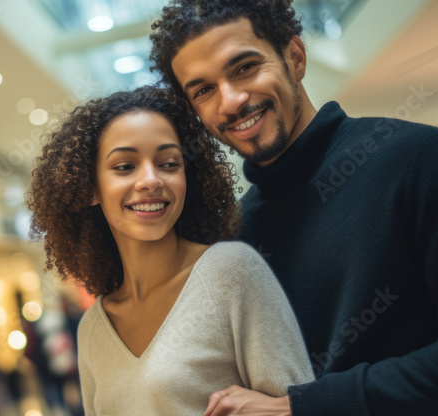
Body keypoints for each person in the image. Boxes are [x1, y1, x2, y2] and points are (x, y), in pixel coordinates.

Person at [148, 1, 438, 414]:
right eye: (204, 90)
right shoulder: (234, 236)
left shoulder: (417, 158)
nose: (230, 101)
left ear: (294, 57)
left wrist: (303, 407)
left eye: (244, 67)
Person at [28, 85, 314, 415]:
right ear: (90, 187)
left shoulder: (231, 272)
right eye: (124, 167)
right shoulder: (93, 327)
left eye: (168, 163)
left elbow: (297, 404)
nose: (151, 180)